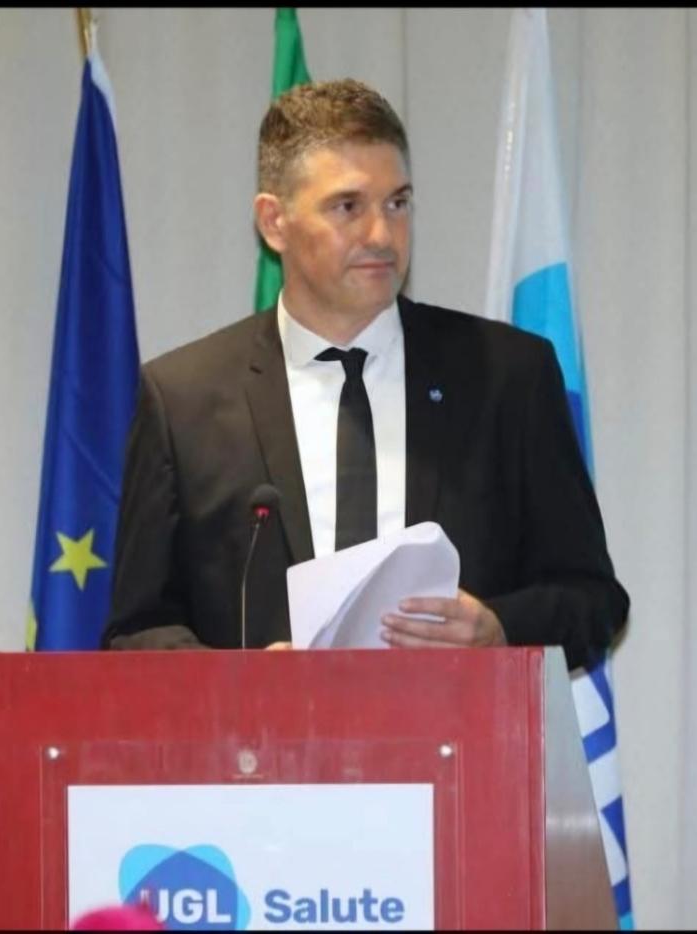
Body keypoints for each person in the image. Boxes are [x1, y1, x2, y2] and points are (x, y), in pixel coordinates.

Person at [103, 78, 627, 670]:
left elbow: (594, 602)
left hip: (457, 729)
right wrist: (239, 685)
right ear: (274, 222)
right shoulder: (184, 401)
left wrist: (499, 628)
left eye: (397, 203)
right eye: (348, 207)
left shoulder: (508, 377)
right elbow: (134, 633)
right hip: (266, 734)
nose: (381, 235)